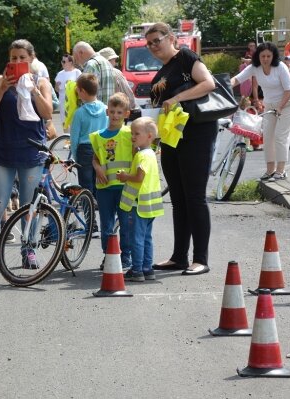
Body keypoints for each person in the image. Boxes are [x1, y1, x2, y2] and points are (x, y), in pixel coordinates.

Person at [147, 22, 217, 276]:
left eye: (157, 40)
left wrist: (177, 98)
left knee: (195, 197)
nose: (153, 46)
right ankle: (179, 257)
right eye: (150, 43)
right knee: (178, 199)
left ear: (171, 38)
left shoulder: (186, 57)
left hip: (196, 133)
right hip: (171, 138)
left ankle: (201, 258)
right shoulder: (163, 70)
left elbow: (208, 83)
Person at [0, 39, 53, 268]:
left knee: (28, 204)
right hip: (1, 150)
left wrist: (33, 91)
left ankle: (28, 248)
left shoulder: (41, 82)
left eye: (22, 57)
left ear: (31, 59)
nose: (18, 61)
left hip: (30, 151)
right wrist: (2, 89)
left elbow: (47, 112)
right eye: (13, 58)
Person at [231, 42, 290, 181]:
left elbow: (288, 90)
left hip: (288, 104)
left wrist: (280, 107)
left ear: (273, 56)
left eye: (269, 56)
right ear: (258, 57)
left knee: (281, 136)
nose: (266, 59)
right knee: (267, 137)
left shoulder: (281, 67)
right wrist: (222, 86)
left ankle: (281, 171)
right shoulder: (254, 68)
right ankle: (270, 171)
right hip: (270, 105)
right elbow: (237, 79)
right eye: (263, 56)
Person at [117, 117, 164, 282]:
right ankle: (147, 268)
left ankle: (137, 270)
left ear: (149, 136)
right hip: (150, 205)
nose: (133, 137)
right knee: (146, 237)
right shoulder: (150, 153)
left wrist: (124, 177)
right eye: (132, 133)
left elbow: (139, 177)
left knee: (136, 237)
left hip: (139, 204)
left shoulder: (142, 156)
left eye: (137, 133)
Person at [90, 92, 133, 270]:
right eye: (113, 111)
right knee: (106, 224)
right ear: (107, 112)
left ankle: (126, 257)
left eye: (119, 112)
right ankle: (108, 255)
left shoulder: (130, 134)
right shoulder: (98, 136)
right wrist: (97, 167)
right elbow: (95, 158)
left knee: (126, 223)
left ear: (126, 114)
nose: (115, 115)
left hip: (125, 187)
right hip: (105, 187)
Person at [70, 73, 108, 199]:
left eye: (78, 89)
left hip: (84, 150)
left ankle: (89, 212)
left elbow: (74, 138)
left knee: (86, 185)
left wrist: (75, 155)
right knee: (99, 180)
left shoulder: (79, 113)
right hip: (101, 148)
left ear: (83, 91)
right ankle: (100, 206)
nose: (77, 92)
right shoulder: (105, 109)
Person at [98, 47, 139, 112]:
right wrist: (132, 106)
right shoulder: (116, 72)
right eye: (114, 60)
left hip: (101, 110)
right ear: (109, 60)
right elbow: (126, 91)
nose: (115, 62)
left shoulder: (98, 72)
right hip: (116, 110)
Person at [54, 55, 81, 130]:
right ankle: (66, 138)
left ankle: (73, 138)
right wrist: (57, 85)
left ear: (71, 62)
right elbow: (56, 90)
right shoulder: (60, 74)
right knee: (64, 121)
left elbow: (80, 86)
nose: (62, 63)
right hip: (63, 101)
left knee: (73, 121)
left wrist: (72, 84)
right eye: (62, 61)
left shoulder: (77, 72)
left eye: (64, 62)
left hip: (73, 101)